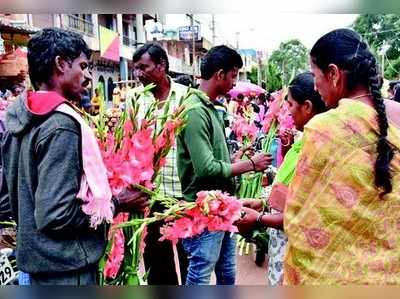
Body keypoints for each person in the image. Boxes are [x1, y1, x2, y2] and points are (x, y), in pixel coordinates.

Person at [0, 28, 148, 285]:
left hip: (36, 265)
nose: (89, 76)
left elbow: (6, 200)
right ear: (60, 64)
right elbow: (56, 215)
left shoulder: (18, 118)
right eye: (83, 65)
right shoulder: (60, 125)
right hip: (65, 271)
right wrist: (117, 203)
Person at [283, 28, 400, 284]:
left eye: (316, 76)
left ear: (333, 74)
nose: (315, 86)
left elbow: (298, 214)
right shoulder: (395, 120)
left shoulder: (324, 129)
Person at [176, 45, 272, 285]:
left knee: (227, 273)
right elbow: (206, 168)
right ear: (219, 74)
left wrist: (234, 160)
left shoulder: (210, 108)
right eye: (233, 76)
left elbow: (212, 161)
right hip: (206, 209)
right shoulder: (195, 111)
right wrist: (250, 164)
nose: (234, 83)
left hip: (223, 206)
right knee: (201, 272)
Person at [236, 72, 327, 285]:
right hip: (283, 240)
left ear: (307, 106)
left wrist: (258, 219)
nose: (287, 112)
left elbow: (305, 213)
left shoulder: (318, 147)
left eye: (291, 105)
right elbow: (291, 190)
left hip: (298, 247)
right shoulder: (304, 140)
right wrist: (264, 204)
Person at [132, 42, 189, 285]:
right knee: (157, 264)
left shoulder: (187, 97)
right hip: (151, 197)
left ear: (162, 66)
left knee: (190, 262)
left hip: (185, 196)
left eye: (143, 67)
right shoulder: (135, 99)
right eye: (135, 69)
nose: (138, 74)